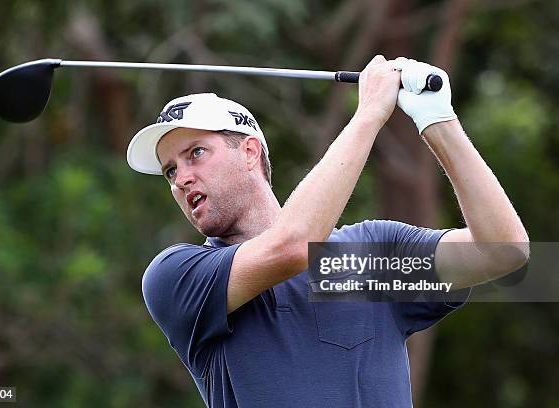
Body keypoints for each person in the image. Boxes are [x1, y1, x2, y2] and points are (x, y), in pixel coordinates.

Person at [127, 56, 529, 407]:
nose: (181, 178)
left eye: (196, 153)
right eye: (170, 170)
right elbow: (292, 248)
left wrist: (437, 120)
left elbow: (503, 251)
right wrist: (369, 113)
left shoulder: (367, 257)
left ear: (249, 152)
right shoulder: (178, 276)